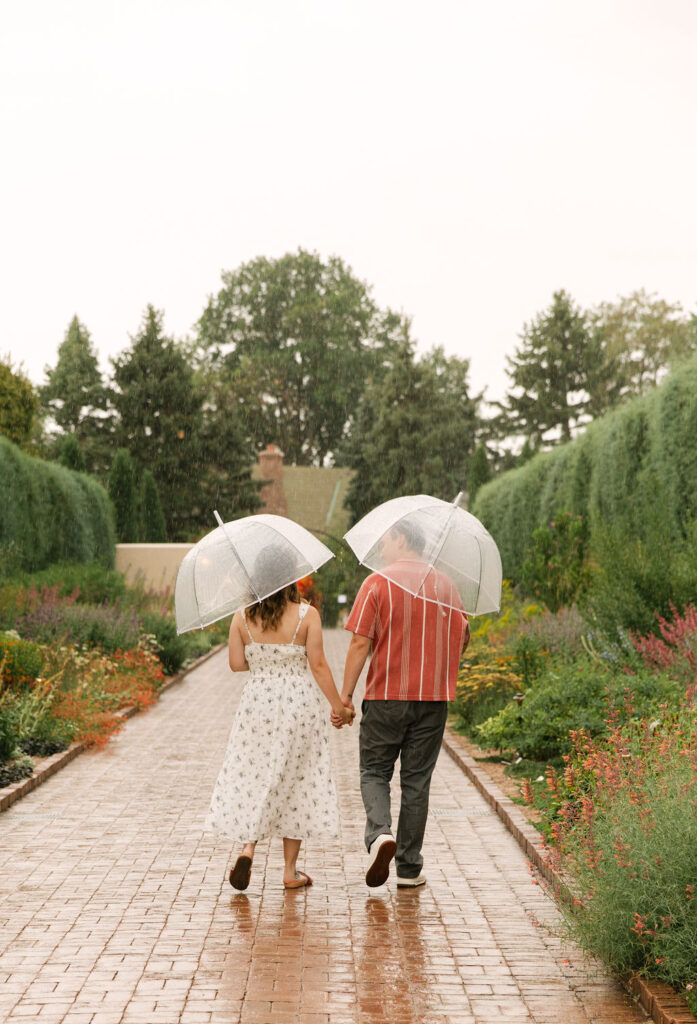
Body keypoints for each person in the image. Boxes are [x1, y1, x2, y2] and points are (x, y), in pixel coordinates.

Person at [332, 520, 470, 888]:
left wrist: (345, 696)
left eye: (387, 539)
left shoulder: (377, 582)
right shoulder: (446, 586)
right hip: (433, 700)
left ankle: (379, 834)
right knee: (416, 782)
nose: (382, 548)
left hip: (385, 699)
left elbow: (361, 643)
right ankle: (409, 868)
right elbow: (462, 639)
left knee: (374, 771)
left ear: (403, 539)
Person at [205, 554, 354, 891]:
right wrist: (339, 708)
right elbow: (318, 665)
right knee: (296, 780)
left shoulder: (242, 617)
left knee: (257, 775)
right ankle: (290, 870)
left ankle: (248, 848)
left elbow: (235, 663)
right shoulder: (307, 615)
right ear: (290, 579)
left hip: (257, 704)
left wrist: (264, 663)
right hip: (299, 705)